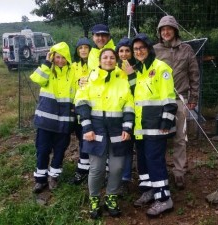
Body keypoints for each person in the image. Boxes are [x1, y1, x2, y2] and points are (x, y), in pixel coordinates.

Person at [74, 48, 135, 219]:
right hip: (95, 130)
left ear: (116, 60)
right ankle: (94, 199)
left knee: (117, 168)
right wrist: (87, 128)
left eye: (112, 58)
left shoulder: (122, 79)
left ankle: (111, 197)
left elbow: (129, 105)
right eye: (105, 57)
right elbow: (81, 103)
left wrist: (127, 128)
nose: (108, 60)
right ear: (100, 60)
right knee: (97, 168)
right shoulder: (88, 80)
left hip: (117, 130)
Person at [129, 33, 177, 217]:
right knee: (142, 160)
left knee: (155, 161)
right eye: (136, 49)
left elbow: (169, 98)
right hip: (141, 126)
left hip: (157, 126)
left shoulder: (161, 68)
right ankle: (149, 191)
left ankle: (164, 199)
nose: (139, 51)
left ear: (149, 49)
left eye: (142, 48)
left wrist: (166, 120)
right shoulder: (139, 70)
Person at [153, 15, 200, 189]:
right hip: (159, 101)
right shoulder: (154, 50)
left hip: (180, 99)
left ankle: (179, 172)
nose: (166, 32)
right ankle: (160, 170)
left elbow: (194, 75)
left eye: (169, 29)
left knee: (180, 138)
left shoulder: (186, 49)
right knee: (160, 137)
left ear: (175, 31)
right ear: (159, 32)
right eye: (163, 29)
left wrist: (193, 98)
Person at [30, 42, 76, 193]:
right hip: (45, 121)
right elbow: (37, 79)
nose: (60, 61)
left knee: (59, 150)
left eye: (63, 58)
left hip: (64, 122)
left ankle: (53, 177)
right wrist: (46, 63)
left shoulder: (73, 72)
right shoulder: (48, 70)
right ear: (52, 57)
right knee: (42, 150)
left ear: (68, 58)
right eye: (57, 57)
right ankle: (40, 180)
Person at [115, 37, 136, 195]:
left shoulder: (138, 68)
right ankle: (112, 176)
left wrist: (131, 75)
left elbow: (137, 91)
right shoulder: (112, 68)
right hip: (115, 114)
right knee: (115, 146)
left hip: (132, 113)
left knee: (127, 147)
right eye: (121, 51)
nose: (124, 54)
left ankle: (125, 179)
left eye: (127, 50)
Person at [70, 37, 92, 185]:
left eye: (86, 47)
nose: (83, 50)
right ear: (77, 51)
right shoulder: (73, 66)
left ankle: (86, 170)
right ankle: (84, 168)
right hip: (77, 107)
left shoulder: (95, 64)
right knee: (82, 139)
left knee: (89, 139)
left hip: (93, 107)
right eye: (80, 48)